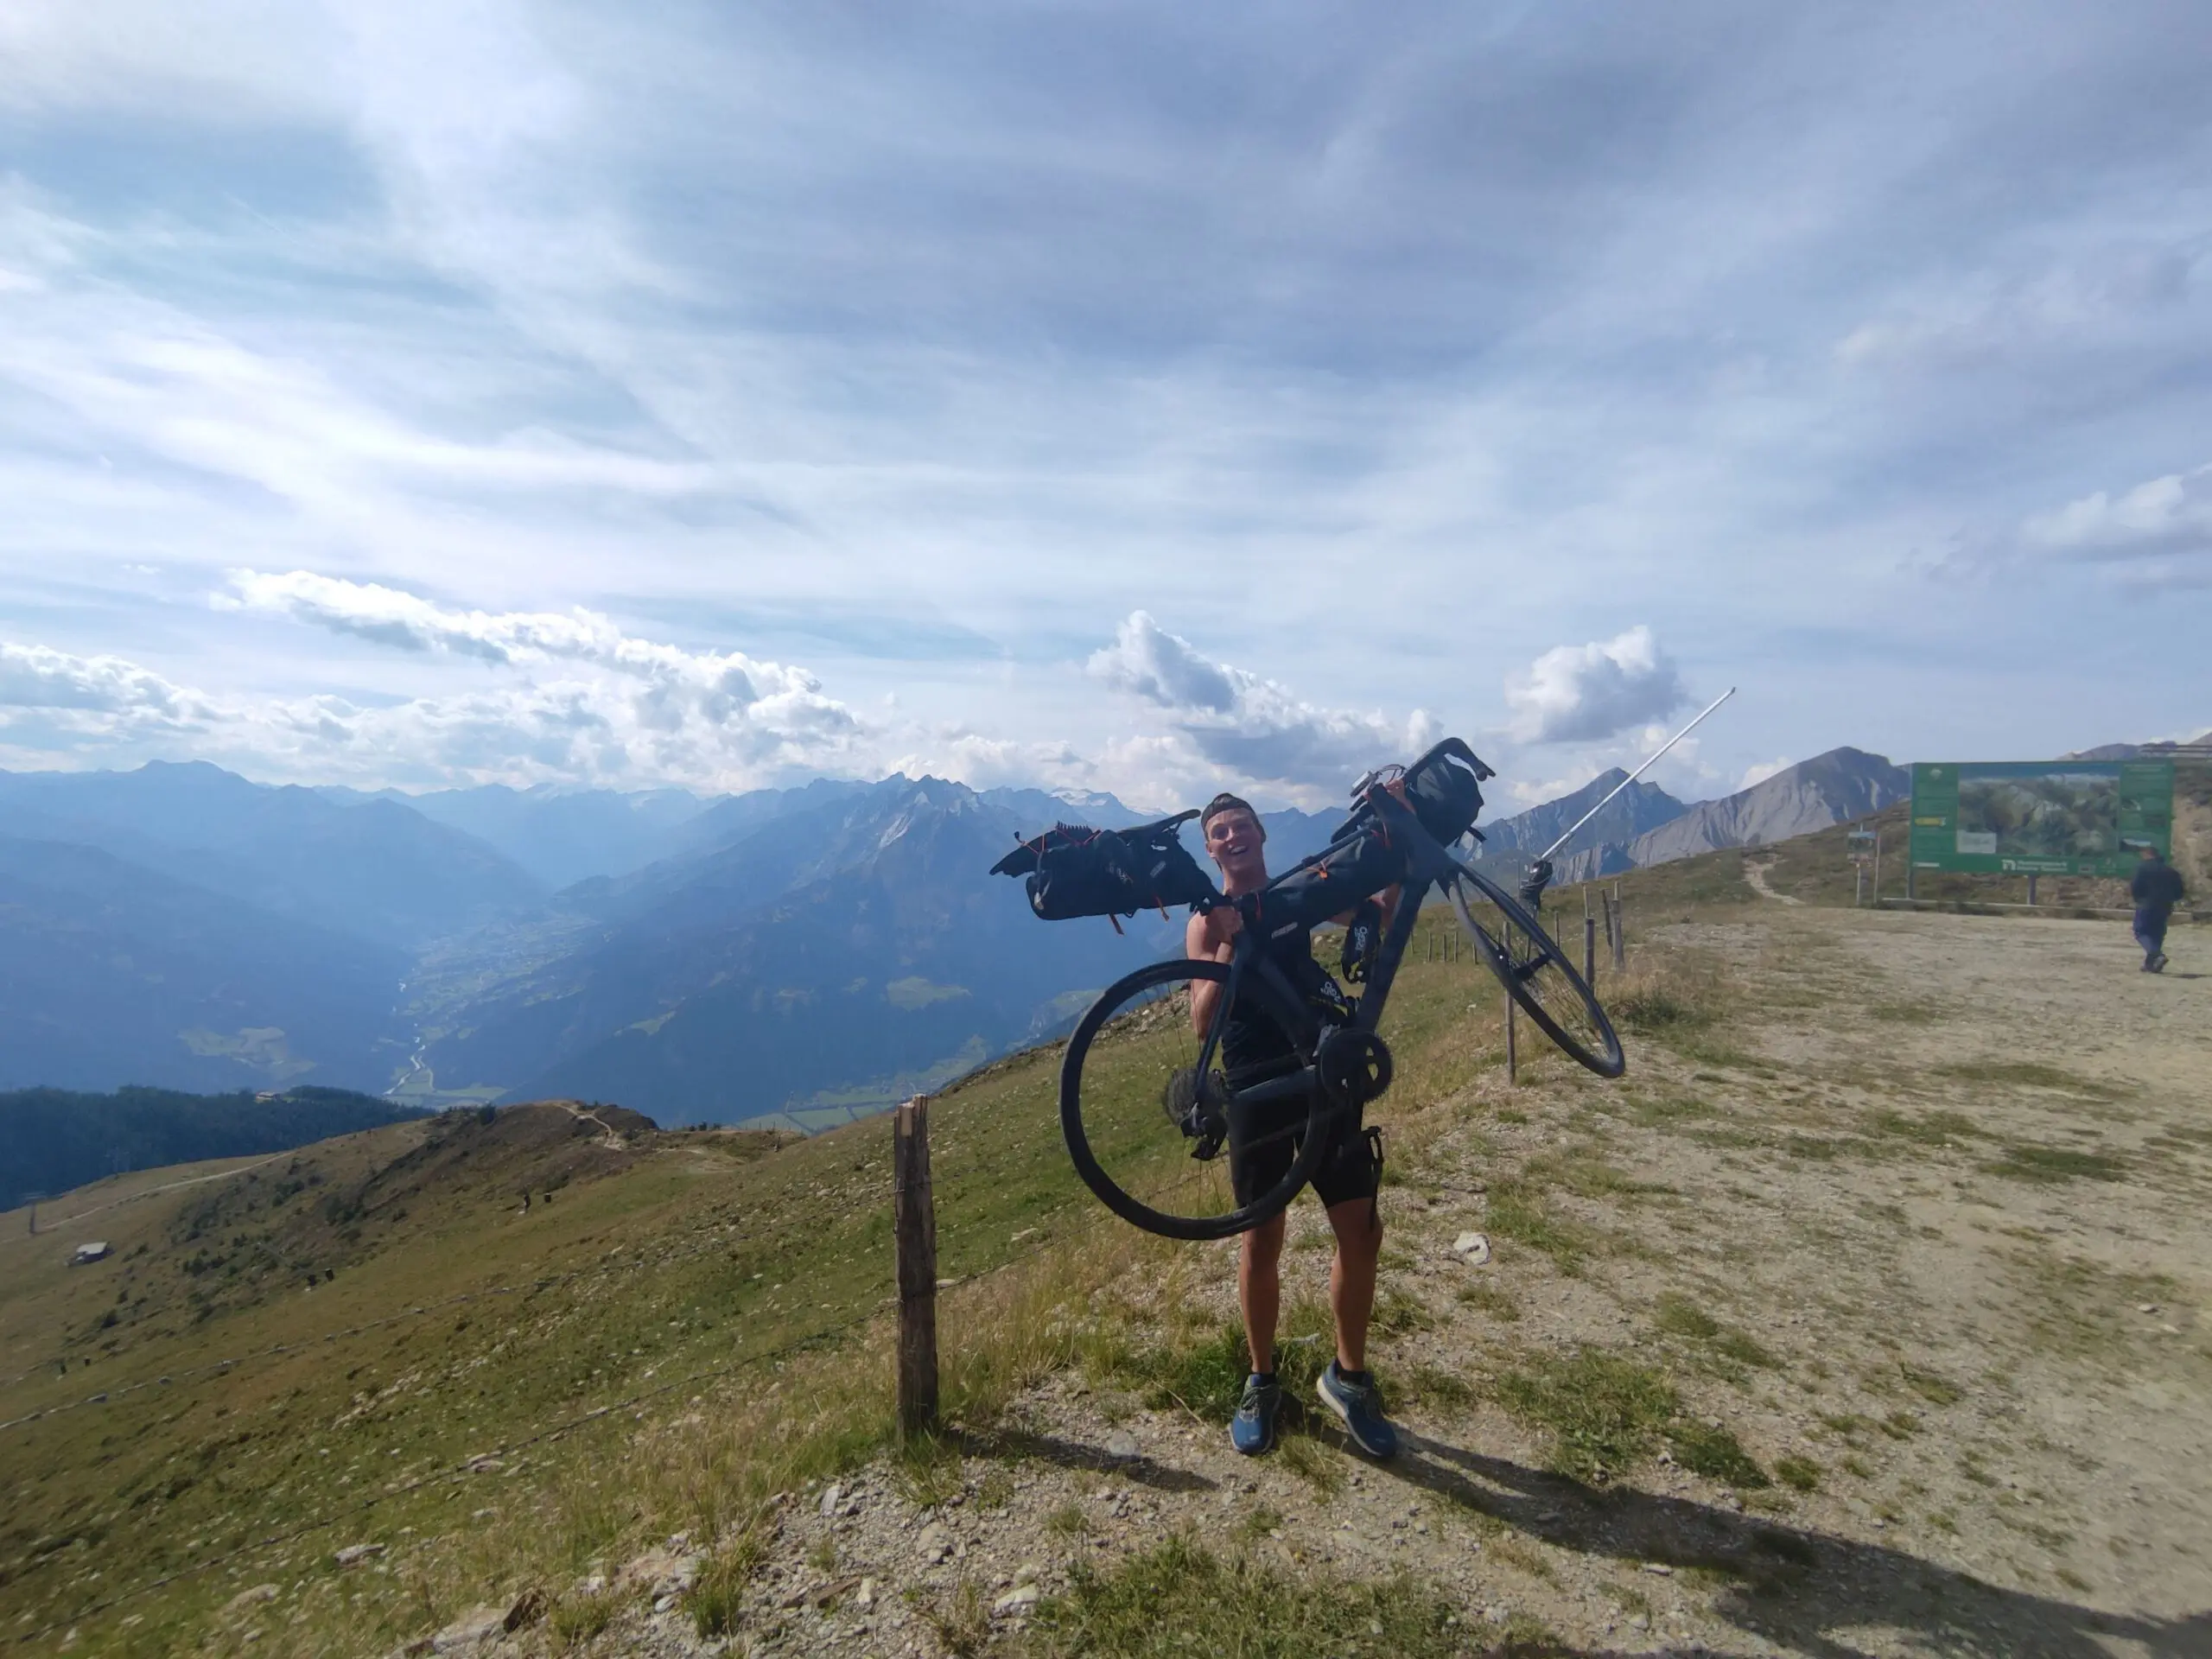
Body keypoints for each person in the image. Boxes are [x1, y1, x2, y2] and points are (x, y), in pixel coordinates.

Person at [1185, 791, 1400, 1461]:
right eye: (1219, 832)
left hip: (1322, 1075)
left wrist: (1394, 849)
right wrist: (1225, 944)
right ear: (1210, 850)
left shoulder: (1292, 894)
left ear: (1261, 834)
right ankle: (1261, 1380)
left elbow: (1377, 915)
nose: (1231, 837)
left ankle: (1349, 1377)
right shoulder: (1203, 922)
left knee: (1361, 1230)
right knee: (1260, 1242)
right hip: (1255, 1088)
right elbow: (1200, 1021)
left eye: (1240, 826)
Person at [2129, 844, 2185, 974]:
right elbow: (2180, 892)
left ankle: (2157, 955)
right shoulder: (2171, 871)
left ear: (2147, 854)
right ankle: (2150, 964)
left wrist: (2138, 899)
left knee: (2141, 932)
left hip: (2146, 904)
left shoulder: (2142, 868)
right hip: (2165, 906)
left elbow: (2136, 886)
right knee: (2157, 934)